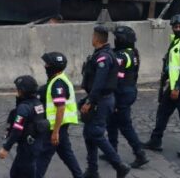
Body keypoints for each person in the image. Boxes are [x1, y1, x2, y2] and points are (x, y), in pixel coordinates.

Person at [143, 14, 180, 158]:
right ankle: (155, 141)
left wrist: (177, 88)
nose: (177, 29)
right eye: (175, 27)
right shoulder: (177, 41)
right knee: (162, 112)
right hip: (174, 85)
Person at [80, 25, 132, 178]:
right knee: (88, 134)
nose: (92, 39)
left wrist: (89, 101)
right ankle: (92, 170)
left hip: (101, 100)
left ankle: (119, 165)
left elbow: (99, 83)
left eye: (93, 36)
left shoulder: (104, 57)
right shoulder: (101, 54)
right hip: (99, 99)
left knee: (96, 133)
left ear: (96, 38)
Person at [36, 52, 84, 178]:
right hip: (60, 125)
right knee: (66, 153)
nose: (45, 66)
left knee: (43, 155)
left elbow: (61, 108)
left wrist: (55, 132)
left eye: (47, 64)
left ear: (52, 67)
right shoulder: (59, 78)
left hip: (56, 126)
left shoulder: (57, 83)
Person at [107, 26, 149, 169]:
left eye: (117, 38)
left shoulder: (122, 56)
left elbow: (116, 78)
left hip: (122, 93)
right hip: (129, 90)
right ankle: (111, 151)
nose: (115, 41)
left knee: (125, 126)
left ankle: (140, 154)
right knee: (111, 121)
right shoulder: (133, 53)